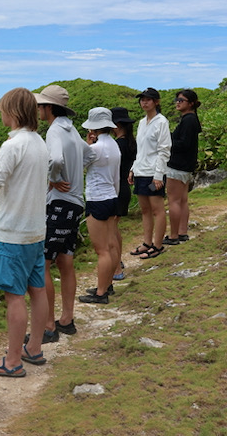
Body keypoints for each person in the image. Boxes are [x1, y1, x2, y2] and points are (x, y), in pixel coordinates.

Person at [0, 87, 49, 379]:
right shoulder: (39, 143)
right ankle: (35, 347)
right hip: (35, 229)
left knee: (14, 297)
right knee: (37, 290)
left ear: (14, 112)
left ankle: (13, 361)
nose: (1, 113)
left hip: (13, 233)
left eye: (3, 108)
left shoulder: (12, 146)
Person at [34, 85, 94, 342]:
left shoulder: (55, 130)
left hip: (59, 202)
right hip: (76, 202)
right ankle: (66, 319)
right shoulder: (72, 129)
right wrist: (74, 173)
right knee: (65, 261)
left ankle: (48, 325)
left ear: (49, 108)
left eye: (40, 105)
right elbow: (90, 154)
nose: (37, 109)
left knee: (42, 263)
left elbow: (55, 159)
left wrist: (55, 178)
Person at [78, 108, 121, 304]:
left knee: (101, 249)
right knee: (111, 245)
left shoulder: (95, 149)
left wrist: (87, 145)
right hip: (112, 197)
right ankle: (107, 284)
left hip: (97, 199)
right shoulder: (114, 146)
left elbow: (79, 166)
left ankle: (101, 293)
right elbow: (116, 177)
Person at [128, 87, 172, 260]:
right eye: (142, 99)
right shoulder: (141, 122)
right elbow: (141, 150)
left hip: (154, 172)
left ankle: (158, 245)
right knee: (145, 210)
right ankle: (147, 243)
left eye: (148, 99)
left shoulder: (161, 122)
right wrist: (133, 168)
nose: (144, 102)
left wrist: (159, 175)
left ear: (156, 102)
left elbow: (164, 150)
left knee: (157, 210)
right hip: (141, 171)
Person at [163, 89, 202, 245]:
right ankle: (182, 232)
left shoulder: (188, 120)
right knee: (182, 200)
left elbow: (183, 144)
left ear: (190, 103)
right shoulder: (192, 119)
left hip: (177, 165)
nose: (178, 102)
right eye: (177, 100)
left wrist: (167, 142)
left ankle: (173, 235)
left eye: (181, 100)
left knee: (173, 200)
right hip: (186, 165)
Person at [110, 107, 137, 281]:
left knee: (110, 231)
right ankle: (117, 262)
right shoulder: (130, 142)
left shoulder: (117, 145)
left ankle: (117, 268)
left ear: (116, 125)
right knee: (114, 229)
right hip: (123, 189)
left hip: (116, 189)